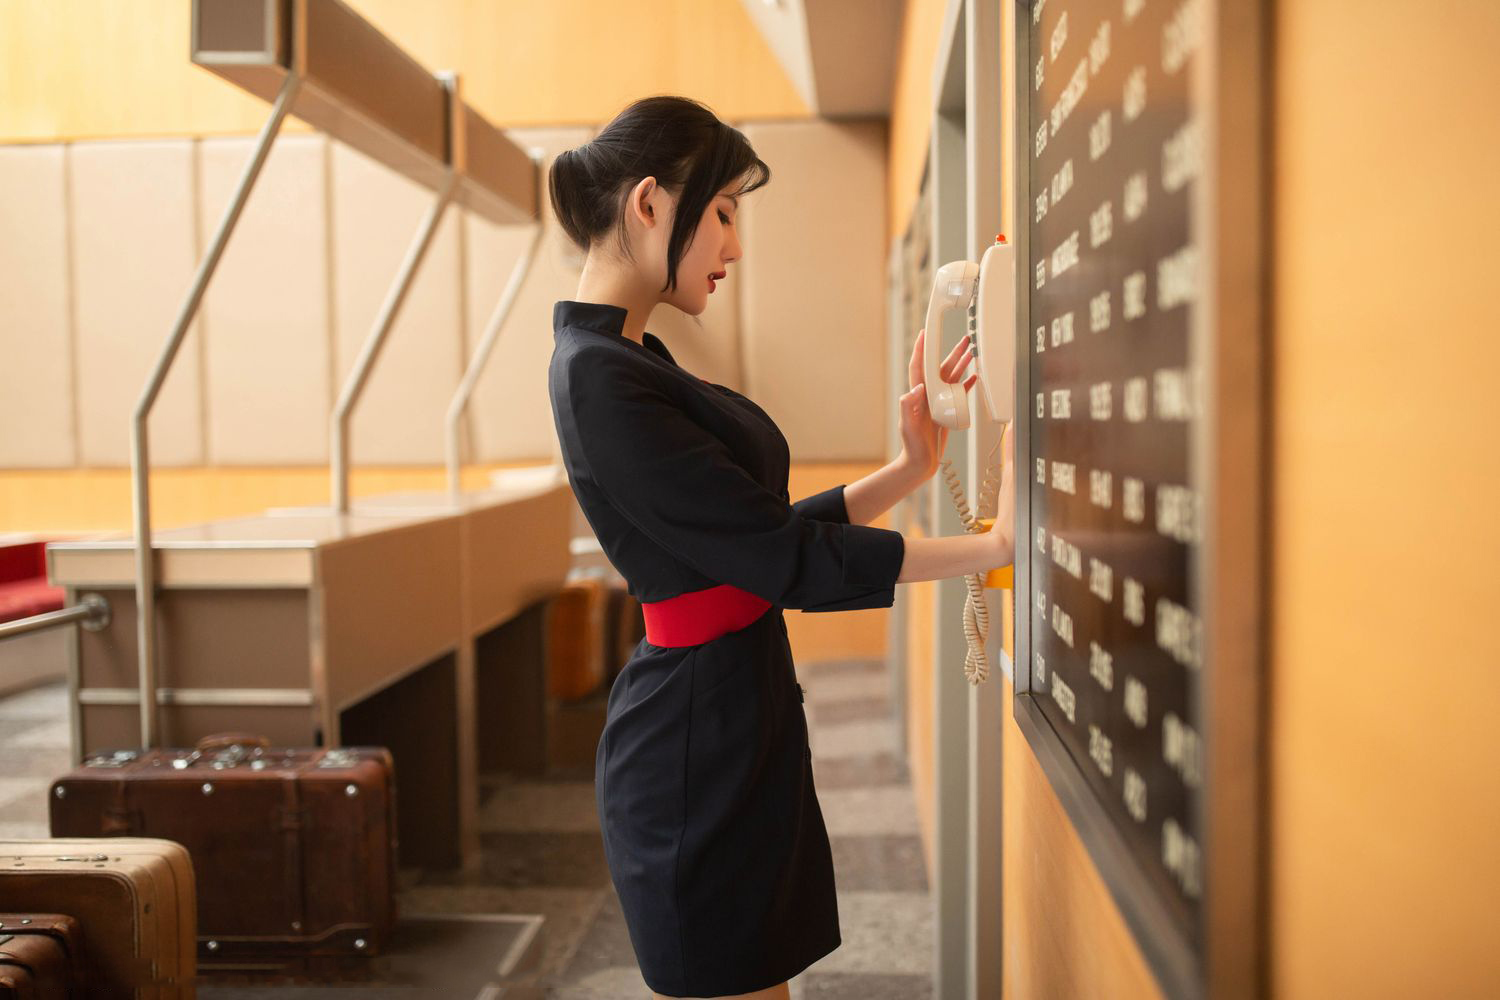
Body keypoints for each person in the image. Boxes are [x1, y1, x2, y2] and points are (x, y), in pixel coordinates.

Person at [546, 95, 1014, 1000]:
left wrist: (910, 470)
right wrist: (988, 549)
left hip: (730, 713)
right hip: (693, 751)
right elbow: (780, 559)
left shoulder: (629, 355)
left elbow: (753, 537)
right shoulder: (600, 374)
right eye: (722, 211)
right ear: (650, 204)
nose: (734, 245)